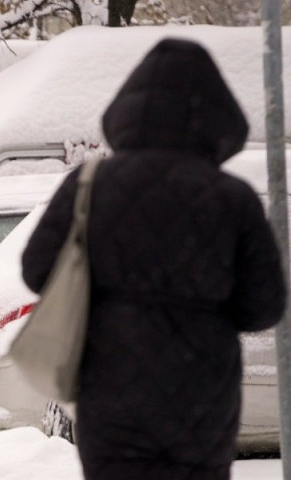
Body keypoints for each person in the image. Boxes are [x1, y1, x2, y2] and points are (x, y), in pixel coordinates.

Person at [21, 39, 287, 480]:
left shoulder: (90, 184)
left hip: (111, 391)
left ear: (127, 110)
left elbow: (36, 269)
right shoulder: (233, 199)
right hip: (202, 402)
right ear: (217, 117)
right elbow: (265, 306)